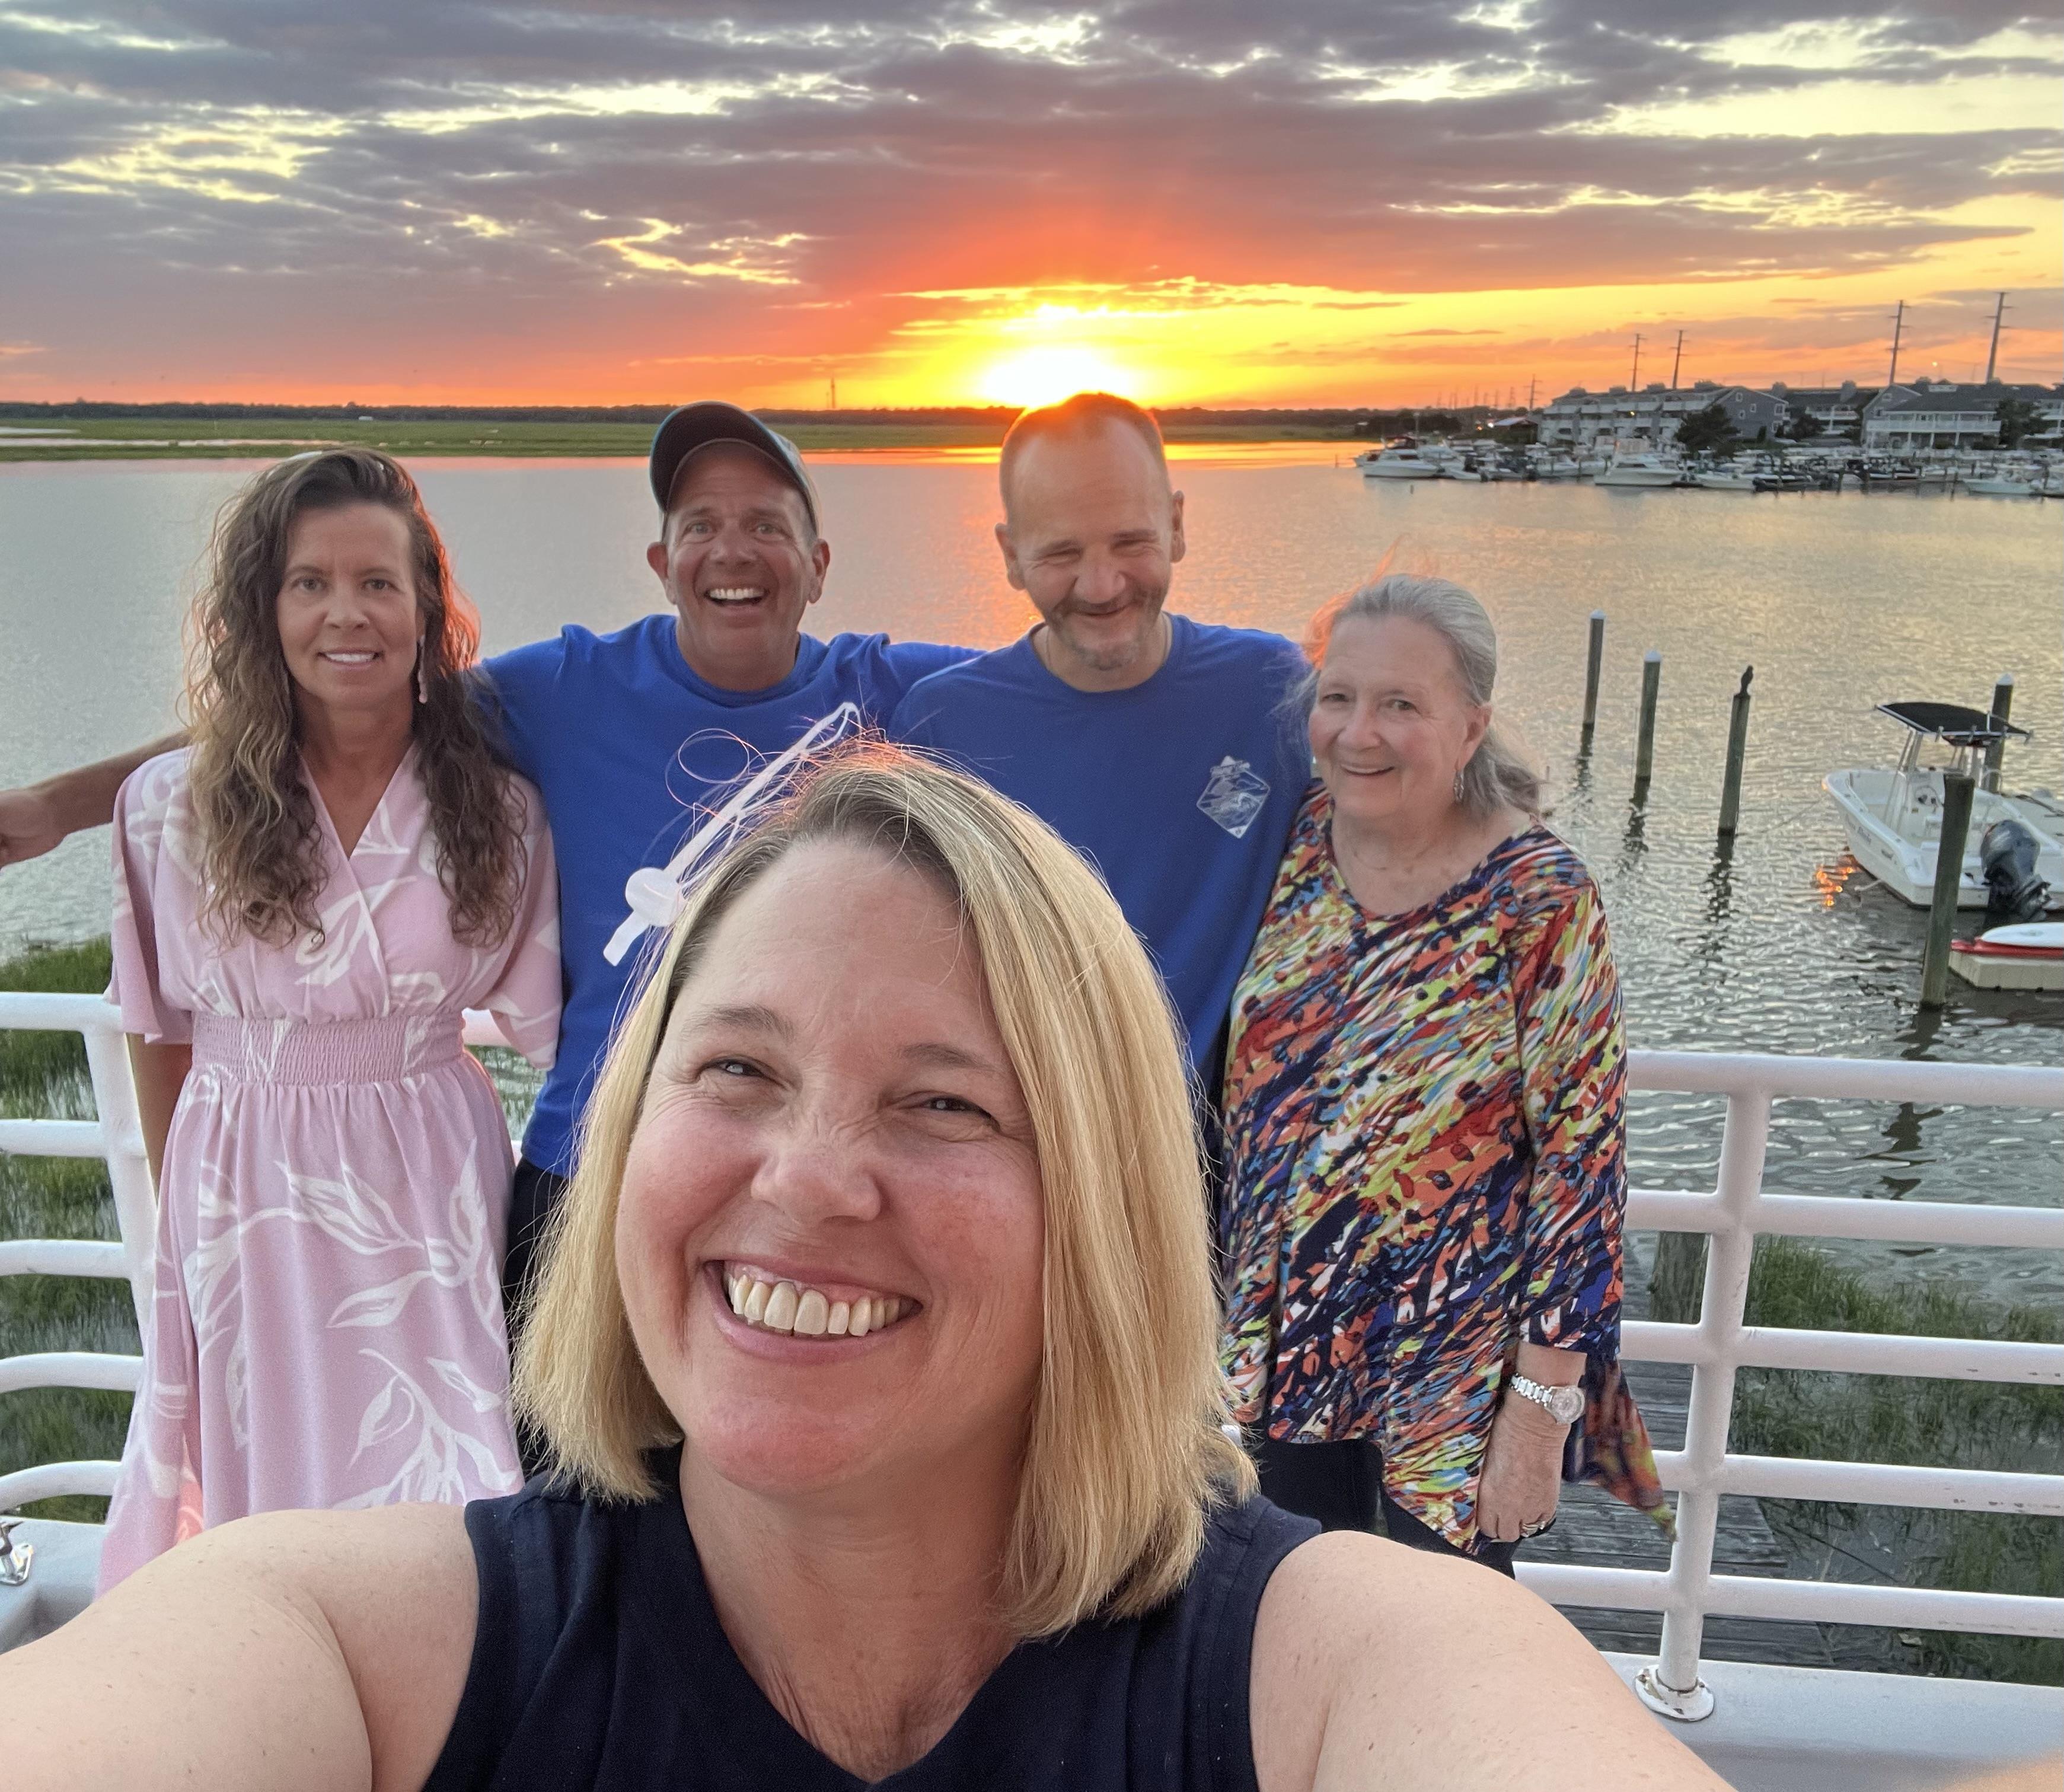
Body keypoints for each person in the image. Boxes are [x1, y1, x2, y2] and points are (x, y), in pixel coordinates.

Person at [1, 746, 1727, 1792]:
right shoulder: (346, 1645)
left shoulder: (1330, 1667)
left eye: (944, 1099)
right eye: (735, 1067)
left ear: (1104, 1205)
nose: (809, 1175)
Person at [0, 403, 973, 1351]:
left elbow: (1054, 683)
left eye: (766, 526)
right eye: (701, 526)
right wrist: (53, 806)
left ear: (819, 563)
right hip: (585, 1168)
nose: (732, 552)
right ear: (660, 561)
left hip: (786, 1171)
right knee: (542, 1455)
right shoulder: (568, 686)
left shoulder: (898, 693)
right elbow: (322, 717)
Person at [95, 449, 561, 1589]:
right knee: (264, 1486)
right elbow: (160, 1034)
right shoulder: (167, 808)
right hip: (239, 1181)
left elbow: (553, 1028)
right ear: (264, 608)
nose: (346, 613)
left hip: (432, 1180)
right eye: (309, 583)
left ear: (426, 610)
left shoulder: (500, 812)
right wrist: (181, 1229)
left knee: (454, 1474)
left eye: (377, 583)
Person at [1218, 574, 1664, 1567]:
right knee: (1295, 1601)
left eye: (1400, 704)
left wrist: (1539, 1414)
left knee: (1447, 1627)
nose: (1357, 732)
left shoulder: (1539, 896)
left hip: (1454, 1369)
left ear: (1471, 727)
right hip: (1287, 1345)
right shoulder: (1285, 842)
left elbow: (1583, 1169)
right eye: (1338, 696)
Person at [891, 393, 1309, 1090]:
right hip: (1033, 1131)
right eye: (1061, 552)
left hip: (1215, 1139)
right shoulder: (941, 728)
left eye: (1130, 542)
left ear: (1177, 526)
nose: (1102, 585)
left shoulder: (1271, 691)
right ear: (1011, 556)